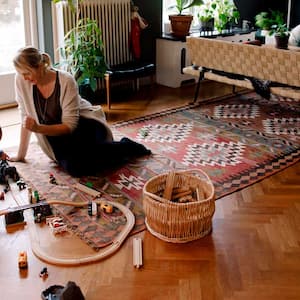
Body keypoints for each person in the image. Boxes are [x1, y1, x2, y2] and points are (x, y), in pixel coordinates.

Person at [11, 46, 151, 177]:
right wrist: (21, 155)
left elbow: (69, 126)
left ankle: (126, 147)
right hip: (55, 136)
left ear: (40, 67)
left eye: (27, 73)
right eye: (21, 74)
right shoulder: (22, 81)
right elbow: (25, 116)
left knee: (89, 154)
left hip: (83, 126)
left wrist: (38, 128)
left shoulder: (66, 81)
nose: (24, 78)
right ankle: (117, 148)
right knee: (75, 167)